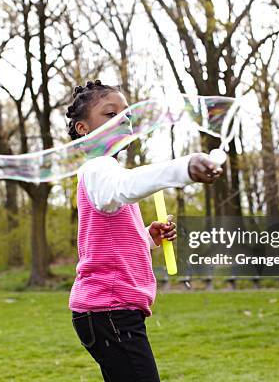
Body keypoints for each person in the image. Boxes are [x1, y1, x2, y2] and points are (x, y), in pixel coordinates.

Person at [66, 80, 223, 382]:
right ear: (84, 129)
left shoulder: (106, 170)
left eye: (126, 113)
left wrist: (146, 238)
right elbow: (123, 188)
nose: (123, 119)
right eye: (109, 114)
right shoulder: (98, 169)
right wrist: (184, 168)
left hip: (108, 311)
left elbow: (108, 236)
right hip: (110, 310)